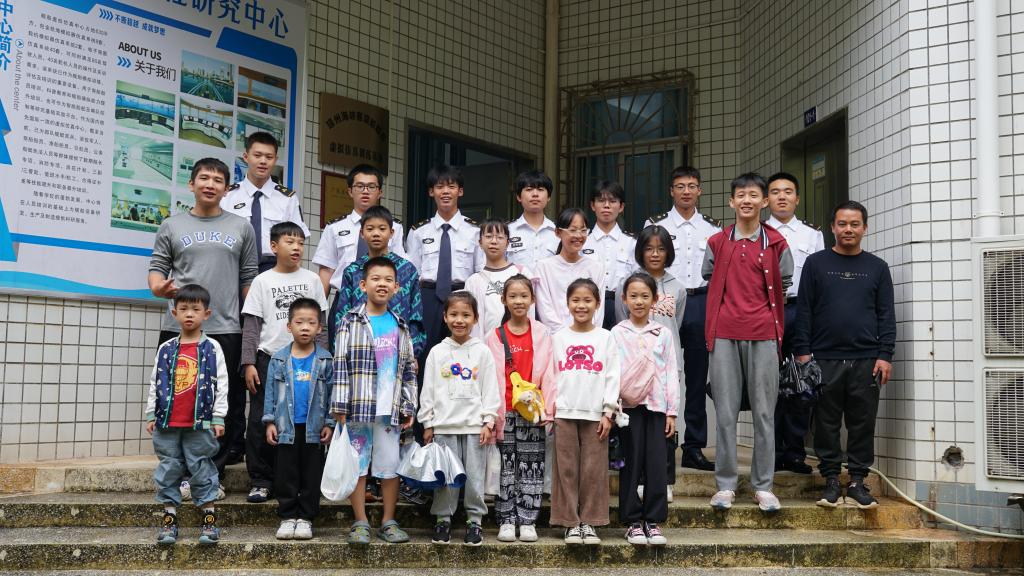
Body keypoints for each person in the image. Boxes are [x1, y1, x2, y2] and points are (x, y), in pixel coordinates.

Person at [149, 158, 258, 486]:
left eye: (218, 180)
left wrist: (254, 318)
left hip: (226, 327)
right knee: (177, 397)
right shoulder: (172, 226)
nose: (210, 184)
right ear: (192, 184)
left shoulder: (241, 227)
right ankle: (181, 471)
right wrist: (159, 288)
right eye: (204, 178)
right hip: (179, 328)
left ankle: (213, 474)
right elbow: (157, 268)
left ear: (227, 189)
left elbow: (248, 278)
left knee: (224, 402)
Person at [792, 200, 895, 509]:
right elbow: (804, 310)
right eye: (842, 224)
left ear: (865, 228)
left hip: (867, 359)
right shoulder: (816, 263)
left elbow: (886, 315)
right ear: (833, 228)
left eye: (854, 224)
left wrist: (885, 354)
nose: (848, 229)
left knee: (863, 423)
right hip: (824, 358)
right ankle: (831, 481)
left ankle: (858, 481)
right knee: (826, 424)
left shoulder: (877, 267)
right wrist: (802, 352)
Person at [701, 173, 793, 513]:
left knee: (764, 413)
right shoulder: (717, 241)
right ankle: (725, 485)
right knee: (725, 413)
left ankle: (763, 486)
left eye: (753, 195)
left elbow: (785, 280)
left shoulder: (776, 242)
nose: (747, 201)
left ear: (764, 201)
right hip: (724, 333)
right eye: (740, 195)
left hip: (764, 333)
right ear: (731, 202)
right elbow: (709, 275)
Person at [239, 222, 329, 503]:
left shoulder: (312, 280)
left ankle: (299, 480)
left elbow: (322, 325)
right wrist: (248, 363)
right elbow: (252, 326)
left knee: (304, 420)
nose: (297, 247)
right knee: (261, 419)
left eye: (301, 243)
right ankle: (261, 480)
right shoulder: (262, 281)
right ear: (274, 246)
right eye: (290, 242)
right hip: (270, 360)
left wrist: (324, 359)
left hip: (307, 361)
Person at [331, 256, 418, 544]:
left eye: (388, 280)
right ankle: (360, 522)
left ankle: (388, 521)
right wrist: (339, 404)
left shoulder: (400, 325)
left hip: (389, 409)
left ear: (396, 287)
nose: (382, 284)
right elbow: (340, 363)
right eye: (376, 279)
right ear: (363, 284)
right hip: (357, 407)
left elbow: (408, 369)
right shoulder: (349, 321)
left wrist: (409, 404)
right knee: (357, 464)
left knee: (390, 465)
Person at [645, 166, 720, 471]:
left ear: (699, 190)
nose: (686, 191)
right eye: (680, 186)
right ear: (671, 191)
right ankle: (660, 442)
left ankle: (694, 446)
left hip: (700, 301)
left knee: (697, 376)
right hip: (665, 300)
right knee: (659, 372)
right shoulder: (655, 225)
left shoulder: (713, 229)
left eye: (691, 186)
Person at [145, 284, 228, 546]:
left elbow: (222, 384)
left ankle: (209, 521)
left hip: (200, 423)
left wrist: (218, 417)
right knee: (168, 469)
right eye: (183, 309)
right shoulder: (166, 348)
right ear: (174, 313)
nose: (189, 314)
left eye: (195, 309)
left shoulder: (212, 348)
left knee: (202, 468)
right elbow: (155, 381)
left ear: (206, 313)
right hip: (167, 422)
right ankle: (169, 520)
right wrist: (151, 413)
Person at [419, 292, 501, 546]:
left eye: (466, 315)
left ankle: (474, 521)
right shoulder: (437, 352)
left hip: (475, 427)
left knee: (475, 477)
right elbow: (428, 389)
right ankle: (443, 519)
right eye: (453, 314)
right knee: (446, 477)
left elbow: (490, 388)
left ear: (476, 318)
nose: (459, 320)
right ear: (444, 317)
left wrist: (489, 420)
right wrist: (428, 423)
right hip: (444, 425)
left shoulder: (482, 352)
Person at [614, 225, 686, 501]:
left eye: (661, 249)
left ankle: (664, 480)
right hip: (633, 370)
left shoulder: (678, 287)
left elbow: (676, 324)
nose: (655, 254)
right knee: (636, 429)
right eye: (648, 248)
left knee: (664, 425)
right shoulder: (627, 285)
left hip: (664, 366)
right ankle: (639, 480)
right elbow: (622, 321)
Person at [484, 274, 555, 543]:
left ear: (533, 299)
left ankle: (527, 520)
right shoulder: (495, 336)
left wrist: (548, 410)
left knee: (532, 467)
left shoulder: (541, 333)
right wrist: (492, 414)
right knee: (505, 467)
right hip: (505, 411)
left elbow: (550, 373)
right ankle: (505, 519)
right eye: (512, 296)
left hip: (533, 411)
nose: (518, 301)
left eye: (524, 296)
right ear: (503, 300)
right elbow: (490, 377)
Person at [549, 278, 620, 545]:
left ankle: (590, 521)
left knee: (593, 470)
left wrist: (608, 411)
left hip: (595, 414)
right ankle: (569, 522)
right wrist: (552, 410)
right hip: (564, 411)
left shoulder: (606, 337)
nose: (581, 305)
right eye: (576, 300)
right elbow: (551, 376)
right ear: (567, 304)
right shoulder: (558, 338)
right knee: (565, 470)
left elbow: (613, 376)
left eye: (587, 300)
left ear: (598, 304)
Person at [612, 272, 679, 546]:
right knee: (631, 463)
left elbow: (671, 372)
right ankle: (631, 521)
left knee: (656, 464)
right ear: (624, 299)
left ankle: (653, 520)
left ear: (655, 299)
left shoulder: (663, 333)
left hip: (657, 406)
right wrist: (612, 406)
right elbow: (612, 372)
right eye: (633, 296)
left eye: (644, 296)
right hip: (628, 408)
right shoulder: (617, 333)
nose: (639, 301)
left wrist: (672, 411)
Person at [765, 172, 825, 475]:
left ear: (797, 198)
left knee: (801, 381)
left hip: (801, 311)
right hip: (767, 312)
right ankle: (772, 452)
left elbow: (818, 280)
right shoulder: (758, 233)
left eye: (788, 191)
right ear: (767, 199)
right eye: (775, 192)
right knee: (769, 382)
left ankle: (795, 452)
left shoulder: (812, 235)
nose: (782, 197)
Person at [262, 298, 334, 540]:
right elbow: (270, 393)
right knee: (286, 473)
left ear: (319, 328)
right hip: (286, 427)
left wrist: (330, 423)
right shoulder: (278, 359)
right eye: (299, 322)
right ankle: (287, 516)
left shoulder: (325, 359)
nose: (305, 327)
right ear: (289, 326)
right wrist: (270, 421)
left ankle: (305, 518)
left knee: (311, 474)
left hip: (314, 428)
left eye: (311, 323)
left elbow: (332, 393)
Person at [313, 163, 406, 337]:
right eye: (360, 186)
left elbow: (399, 269)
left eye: (371, 187)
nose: (365, 191)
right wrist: (315, 313)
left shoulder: (395, 227)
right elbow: (326, 272)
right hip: (345, 299)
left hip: (384, 301)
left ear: (380, 192)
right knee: (342, 346)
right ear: (350, 191)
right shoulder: (335, 228)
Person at [406, 165, 483, 367]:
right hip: (427, 298)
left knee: (463, 355)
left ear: (460, 191)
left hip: (463, 296)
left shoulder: (475, 231)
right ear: (431, 192)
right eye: (440, 187)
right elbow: (412, 274)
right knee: (425, 355)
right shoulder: (418, 232)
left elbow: (480, 272)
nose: (446, 192)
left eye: (451, 186)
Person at [333, 205, 424, 357]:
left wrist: (413, 352)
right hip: (360, 347)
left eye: (382, 229)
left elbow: (416, 316)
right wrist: (341, 350)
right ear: (362, 233)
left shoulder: (407, 270)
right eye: (370, 229)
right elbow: (342, 314)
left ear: (391, 233)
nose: (376, 233)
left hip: (398, 348)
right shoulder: (353, 271)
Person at [221, 132, 309, 273]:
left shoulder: (287, 198)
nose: (263, 161)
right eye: (257, 155)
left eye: (269, 157)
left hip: (274, 268)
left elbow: (296, 241)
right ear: (246, 157)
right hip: (233, 266)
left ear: (275, 160)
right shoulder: (228, 196)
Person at [464, 218, 536, 341]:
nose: (494, 241)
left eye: (500, 237)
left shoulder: (522, 273)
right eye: (488, 236)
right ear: (480, 242)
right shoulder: (473, 281)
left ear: (507, 243)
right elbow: (473, 322)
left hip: (520, 343)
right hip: (486, 346)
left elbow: (530, 314)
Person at [534, 207, 605, 330]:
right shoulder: (544, 267)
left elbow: (599, 309)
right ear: (558, 232)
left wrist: (589, 333)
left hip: (589, 336)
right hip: (555, 336)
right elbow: (545, 309)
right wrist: (565, 335)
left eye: (583, 230)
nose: (578, 235)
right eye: (572, 230)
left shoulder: (596, 268)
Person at [583, 181, 636, 330]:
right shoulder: (583, 240)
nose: (606, 206)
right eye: (601, 200)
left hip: (622, 306)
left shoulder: (631, 243)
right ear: (593, 205)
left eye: (612, 201)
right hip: (589, 305)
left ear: (621, 207)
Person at [506, 170, 559, 268]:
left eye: (540, 189)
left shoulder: (559, 232)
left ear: (549, 197)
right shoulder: (507, 231)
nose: (535, 194)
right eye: (529, 189)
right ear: (518, 197)